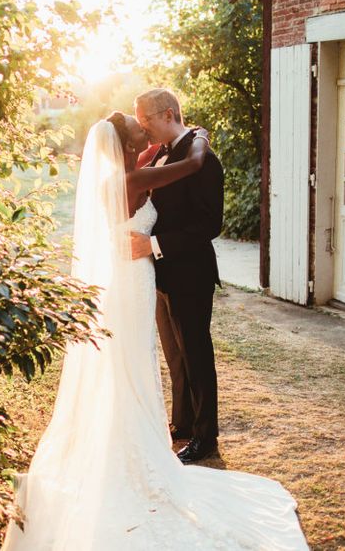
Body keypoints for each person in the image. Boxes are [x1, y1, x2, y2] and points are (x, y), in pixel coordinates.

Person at [0, 113, 307, 550]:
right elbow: (193, 164)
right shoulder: (137, 178)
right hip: (136, 281)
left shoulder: (120, 174)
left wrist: (166, 141)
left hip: (130, 281)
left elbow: (154, 157)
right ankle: (138, 440)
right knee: (137, 357)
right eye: (137, 126)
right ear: (126, 142)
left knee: (132, 359)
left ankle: (140, 432)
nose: (145, 130)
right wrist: (199, 137)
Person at [131, 88, 222, 463]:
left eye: (146, 122)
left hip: (191, 272)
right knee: (176, 355)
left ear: (167, 115)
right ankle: (182, 423)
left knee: (196, 354)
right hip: (163, 275)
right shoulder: (161, 154)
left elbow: (209, 225)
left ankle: (206, 438)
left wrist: (152, 245)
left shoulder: (204, 160)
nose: (144, 130)